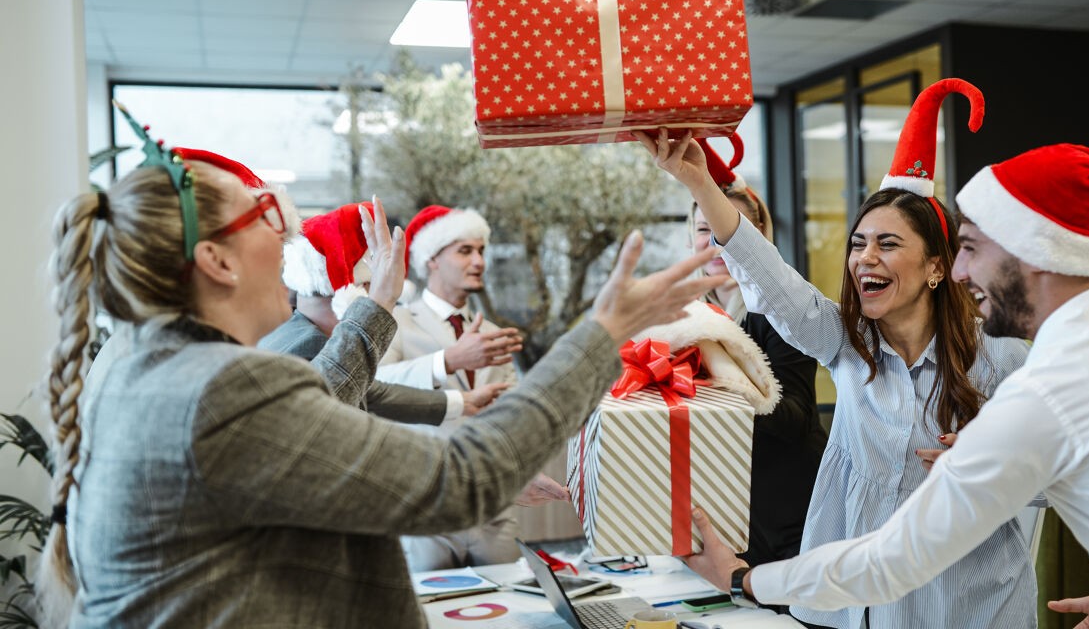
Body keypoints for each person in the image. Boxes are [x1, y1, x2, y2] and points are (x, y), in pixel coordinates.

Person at [36, 109, 729, 628]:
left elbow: (312, 406)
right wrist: (603, 333)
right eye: (266, 215)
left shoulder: (140, 369)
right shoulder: (218, 387)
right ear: (215, 261)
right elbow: (463, 480)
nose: (287, 237)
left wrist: (375, 306)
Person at [680, 143, 1089, 629]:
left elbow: (892, 561)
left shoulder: (1043, 383)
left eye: (970, 248)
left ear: (1034, 252)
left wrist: (743, 578)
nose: (963, 269)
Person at [640, 78, 1036, 629]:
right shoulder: (848, 344)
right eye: (858, 243)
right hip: (862, 611)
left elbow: (1069, 476)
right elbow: (770, 281)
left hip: (971, 609)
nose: (864, 258)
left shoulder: (1002, 358)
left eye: (888, 244)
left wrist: (995, 462)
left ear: (936, 267)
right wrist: (700, 182)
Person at [374, 204, 540, 570]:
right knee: (431, 604)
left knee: (509, 602)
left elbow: (511, 417)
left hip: (492, 508)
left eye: (481, 250)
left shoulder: (491, 334)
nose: (479, 261)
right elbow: (374, 386)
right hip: (425, 509)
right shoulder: (394, 321)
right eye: (465, 251)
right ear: (431, 260)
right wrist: (447, 360)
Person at [689, 133, 826, 567]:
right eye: (703, 229)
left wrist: (725, 381)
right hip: (722, 514)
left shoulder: (781, 315)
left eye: (728, 229)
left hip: (790, 515)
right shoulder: (685, 320)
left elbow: (794, 420)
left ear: (756, 239)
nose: (714, 242)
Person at [261, 201, 500, 424]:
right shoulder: (309, 346)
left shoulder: (298, 334)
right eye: (464, 251)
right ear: (357, 289)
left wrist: (462, 402)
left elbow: (373, 393)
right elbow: (324, 411)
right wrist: (381, 301)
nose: (478, 262)